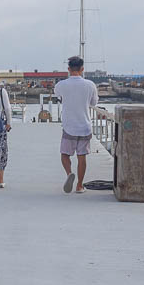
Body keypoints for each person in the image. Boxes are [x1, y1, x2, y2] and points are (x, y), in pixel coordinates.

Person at [54, 56, 98, 194]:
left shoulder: (61, 85)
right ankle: (79, 185)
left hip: (69, 126)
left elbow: (59, 97)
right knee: (82, 156)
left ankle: (69, 174)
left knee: (65, 154)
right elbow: (94, 103)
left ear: (68, 69)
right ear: (82, 69)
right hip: (84, 126)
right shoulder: (90, 85)